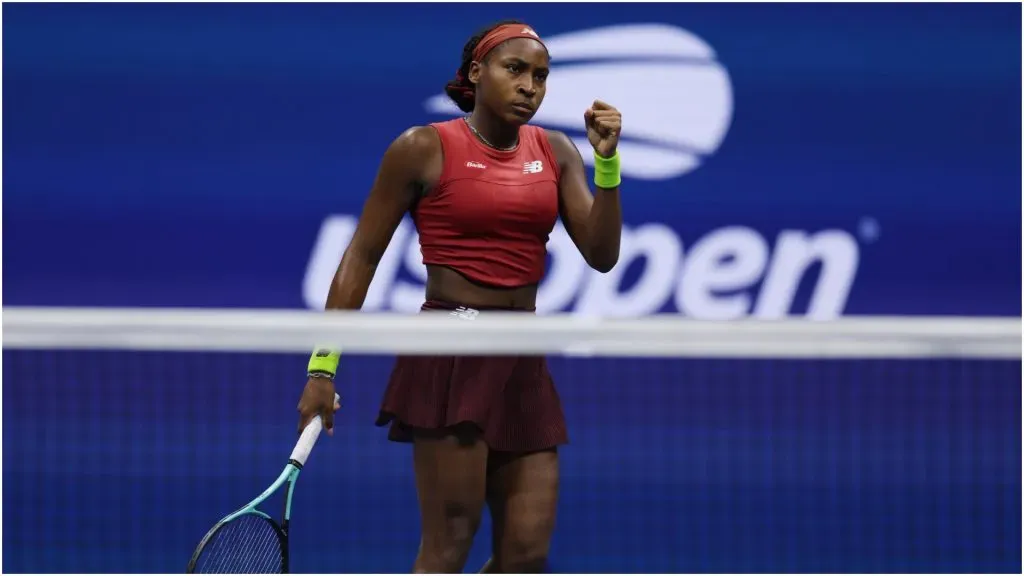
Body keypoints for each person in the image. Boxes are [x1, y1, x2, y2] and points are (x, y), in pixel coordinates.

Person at [296, 19, 623, 573]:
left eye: (541, 76)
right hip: (450, 352)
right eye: (515, 69)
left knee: (527, 553)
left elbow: (601, 253)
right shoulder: (422, 148)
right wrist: (322, 368)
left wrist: (608, 166)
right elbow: (361, 258)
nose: (530, 86)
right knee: (449, 546)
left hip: (522, 358)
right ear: (477, 72)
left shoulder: (558, 150)